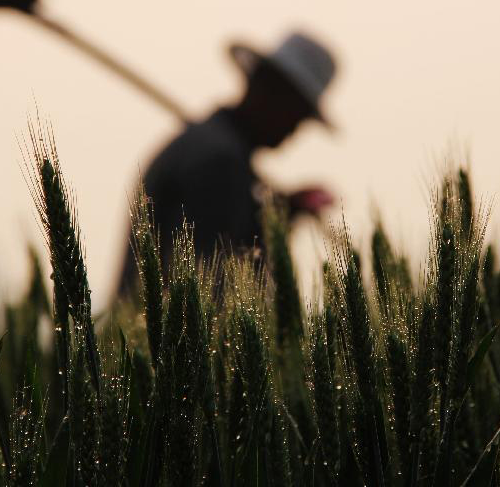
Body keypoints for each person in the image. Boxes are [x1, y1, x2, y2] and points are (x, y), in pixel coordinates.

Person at [118, 31, 337, 294]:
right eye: (296, 114)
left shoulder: (211, 147)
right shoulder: (219, 162)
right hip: (165, 333)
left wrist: (281, 212)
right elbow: (210, 283)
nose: (295, 129)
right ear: (267, 89)